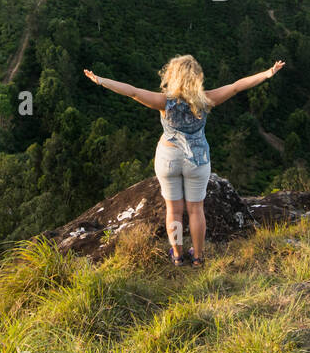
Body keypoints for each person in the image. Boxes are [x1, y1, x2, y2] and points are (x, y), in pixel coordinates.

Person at [83, 55, 285, 266]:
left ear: (173, 76)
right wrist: (268, 72)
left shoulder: (164, 102)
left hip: (168, 158)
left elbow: (132, 91)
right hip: (196, 160)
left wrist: (101, 80)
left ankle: (178, 255)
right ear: (196, 78)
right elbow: (236, 87)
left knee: (174, 210)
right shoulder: (205, 99)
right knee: (196, 210)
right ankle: (198, 257)